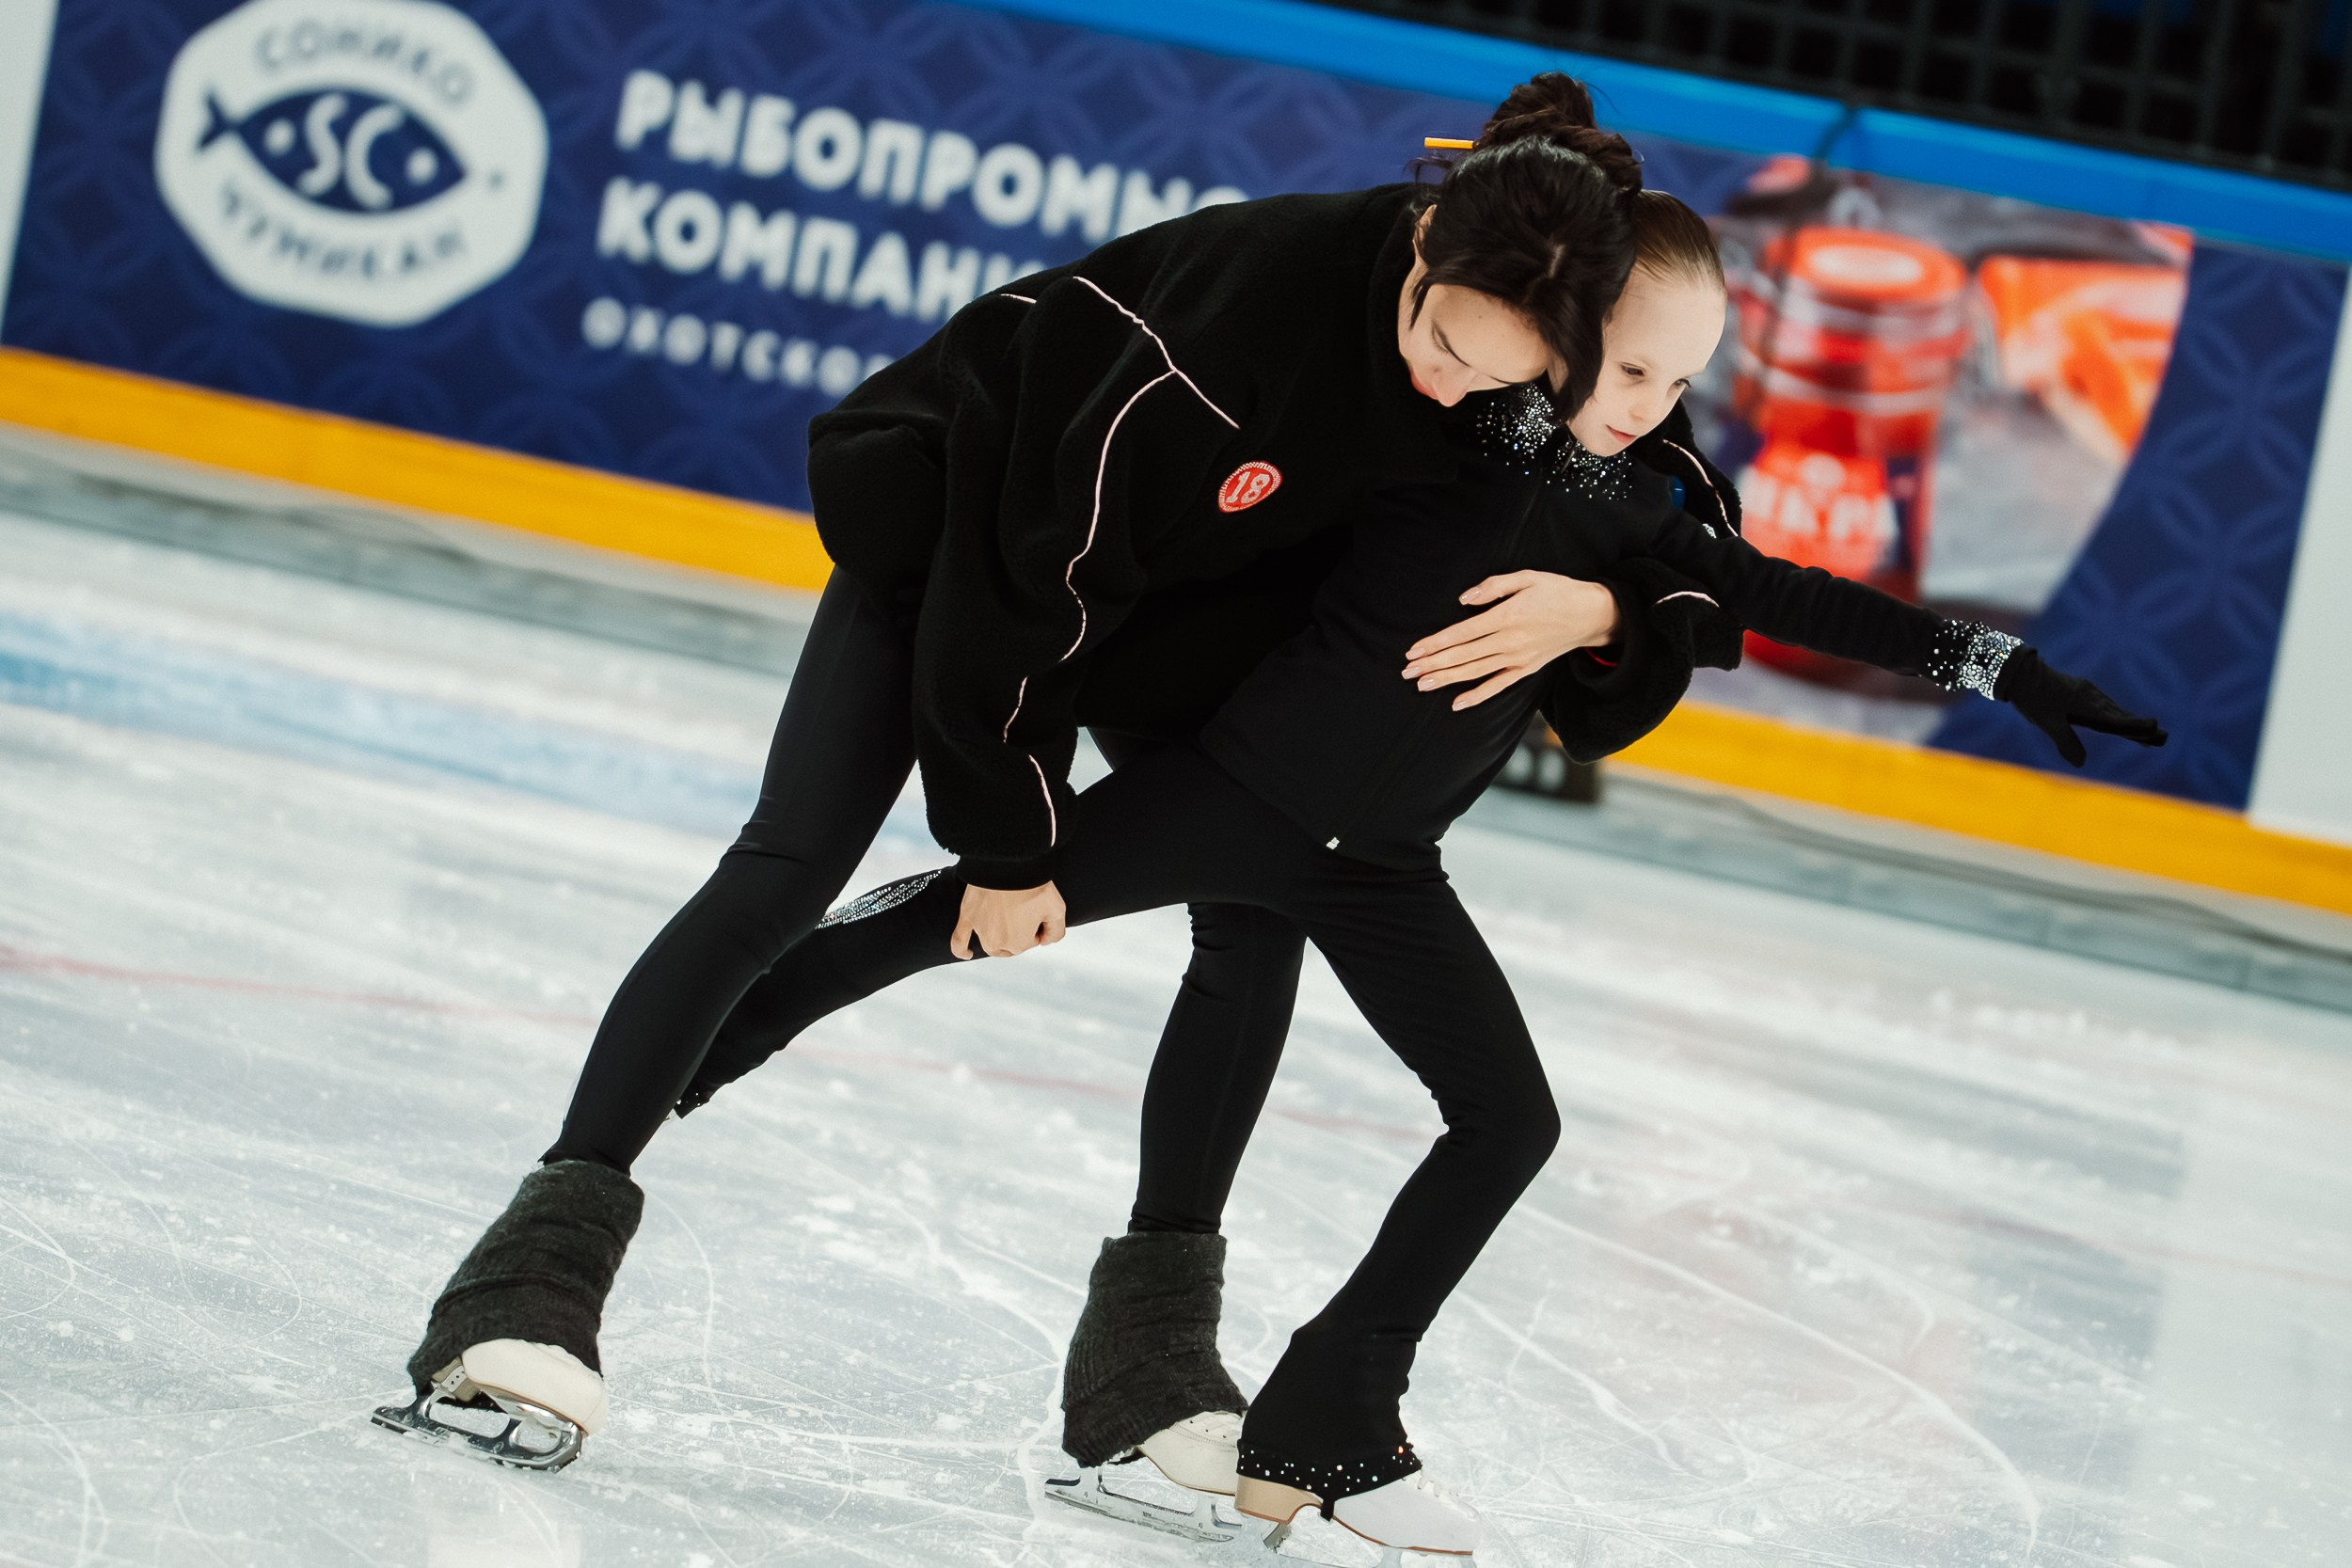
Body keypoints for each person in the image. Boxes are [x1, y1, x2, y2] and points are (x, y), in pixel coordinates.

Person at [660, 189, 2168, 1555]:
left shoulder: (1638, 507)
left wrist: (2004, 667)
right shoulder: (1449, 431)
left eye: (1683, 385)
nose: (1655, 409)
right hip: (1227, 801)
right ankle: (679, 1070)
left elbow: (1778, 596)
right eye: (1632, 370)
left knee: (1511, 1122)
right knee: (933, 929)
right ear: (1561, 339)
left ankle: (1327, 1415)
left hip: (1383, 868)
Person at [377, 76, 1720, 1477]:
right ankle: (529, 1279)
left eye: (1498, 382)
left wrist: (1609, 616)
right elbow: (1030, 578)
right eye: (1441, 346)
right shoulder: (1232, 324)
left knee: (1256, 918)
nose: (1453, 390)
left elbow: (1664, 513)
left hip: (1166, 603)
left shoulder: (1519, 355)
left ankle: (1147, 1369)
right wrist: (1010, 844)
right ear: (1424, 240)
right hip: (963, 536)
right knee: (793, 863)